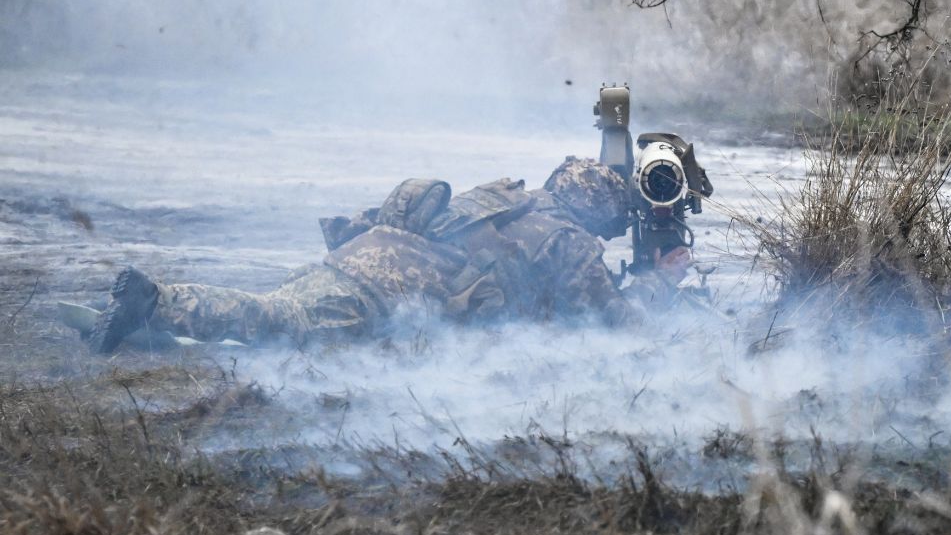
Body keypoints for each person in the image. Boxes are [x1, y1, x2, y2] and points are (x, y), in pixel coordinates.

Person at [87, 157, 691, 353]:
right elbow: (618, 326)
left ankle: (136, 324)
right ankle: (154, 299)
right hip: (385, 291)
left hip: (363, 259)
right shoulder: (568, 241)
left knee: (276, 320)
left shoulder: (509, 199)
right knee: (277, 323)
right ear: (596, 211)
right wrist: (659, 282)